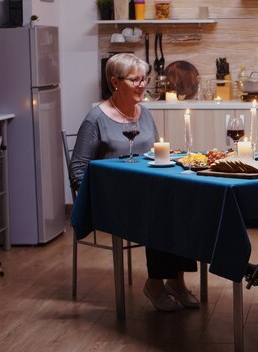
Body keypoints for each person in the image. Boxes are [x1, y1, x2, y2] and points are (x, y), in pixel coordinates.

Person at [69, 53, 199, 312]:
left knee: (184, 203)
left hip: (146, 192)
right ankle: (154, 284)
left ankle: (176, 280)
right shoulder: (96, 119)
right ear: (115, 82)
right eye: (134, 80)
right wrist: (102, 192)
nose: (142, 85)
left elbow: (157, 153)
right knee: (162, 211)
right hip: (113, 200)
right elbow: (78, 169)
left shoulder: (145, 114)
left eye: (144, 79)